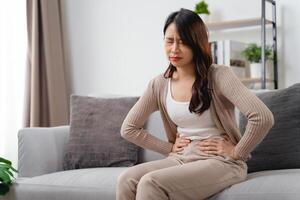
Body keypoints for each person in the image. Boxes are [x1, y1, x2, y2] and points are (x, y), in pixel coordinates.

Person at [116, 8, 274, 200]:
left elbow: (262, 117)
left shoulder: (218, 75)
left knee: (151, 183)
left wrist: (236, 152)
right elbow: (129, 128)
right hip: (182, 158)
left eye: (183, 42)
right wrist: (168, 148)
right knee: (126, 179)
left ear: (197, 44)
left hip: (221, 162)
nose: (174, 49)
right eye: (169, 40)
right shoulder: (159, 84)